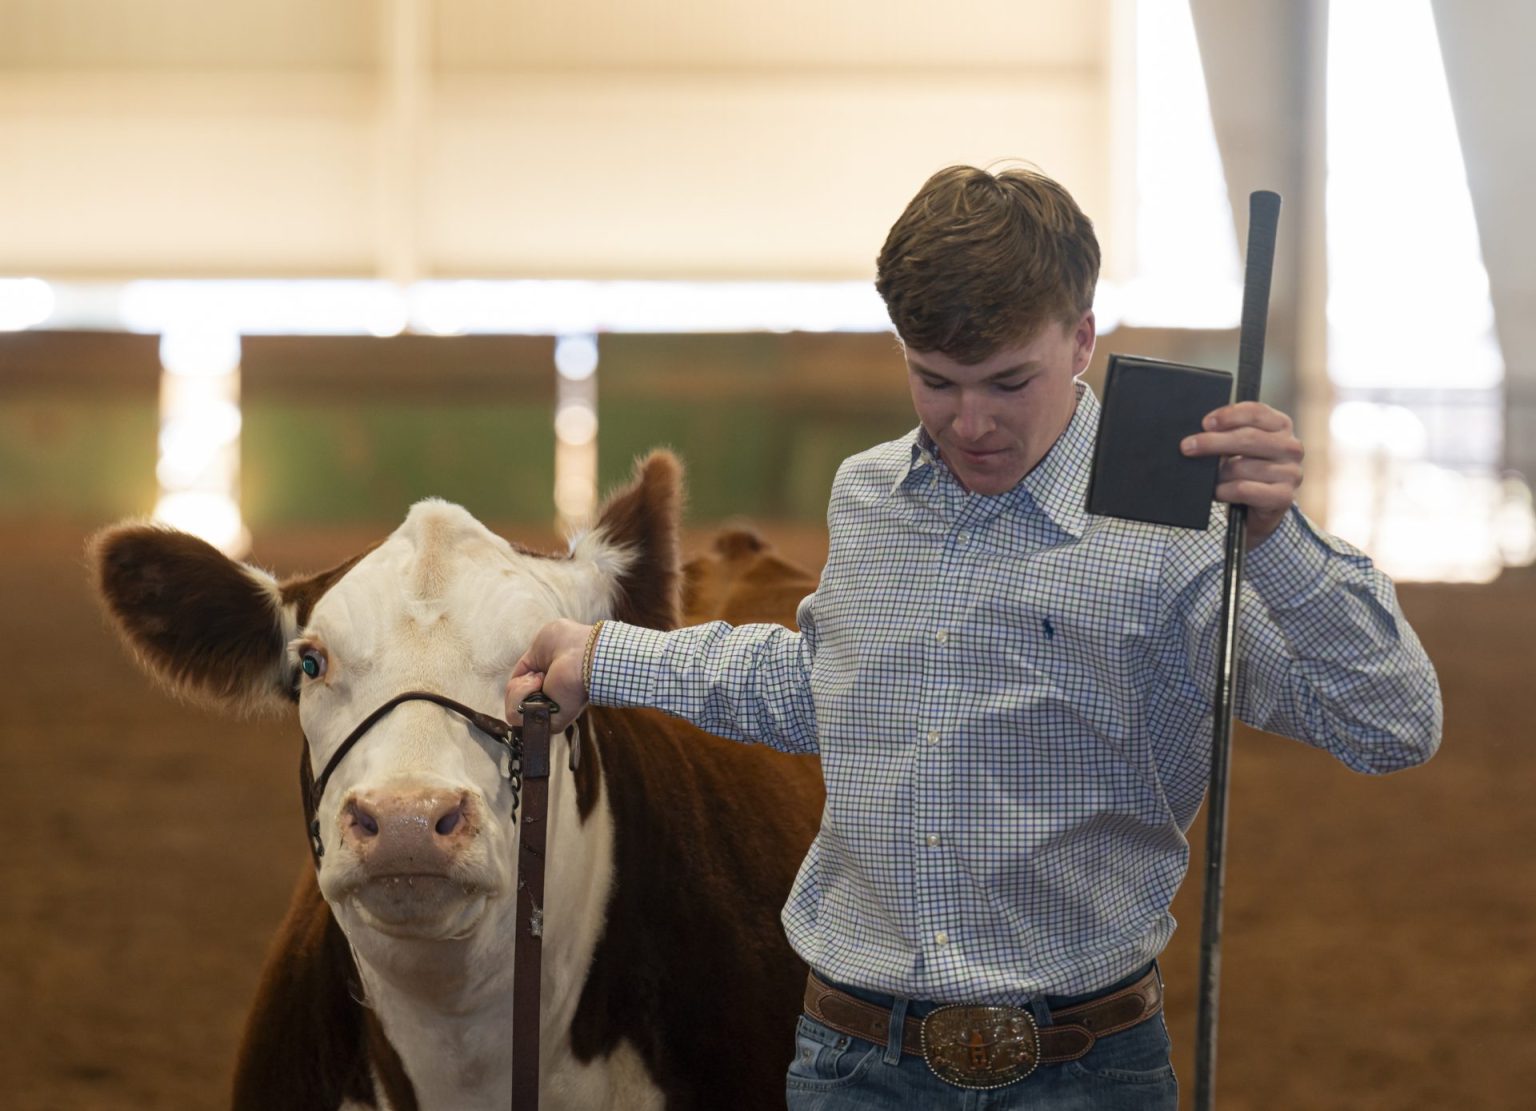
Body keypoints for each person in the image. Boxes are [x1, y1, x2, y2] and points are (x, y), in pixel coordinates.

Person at [505, 164, 1442, 1109]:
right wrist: (607, 657)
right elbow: (827, 685)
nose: (971, 422)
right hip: (854, 1061)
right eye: (935, 381)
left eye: (1008, 381)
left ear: (1080, 338)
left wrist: (1275, 537)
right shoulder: (869, 496)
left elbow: (1390, 722)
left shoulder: (1181, 529)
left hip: (1086, 1071)